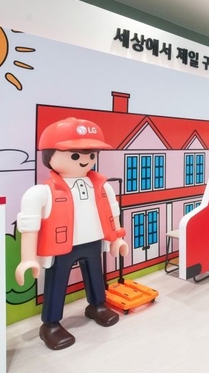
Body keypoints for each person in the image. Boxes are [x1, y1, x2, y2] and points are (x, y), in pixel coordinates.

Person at [15, 117, 129, 350]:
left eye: (91, 155)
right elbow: (29, 225)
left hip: (93, 241)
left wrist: (117, 238)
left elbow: (113, 213)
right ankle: (51, 325)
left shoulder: (102, 186)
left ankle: (97, 305)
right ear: (49, 155)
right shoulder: (41, 192)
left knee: (96, 275)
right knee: (57, 282)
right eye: (75, 155)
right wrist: (28, 258)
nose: (85, 160)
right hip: (61, 246)